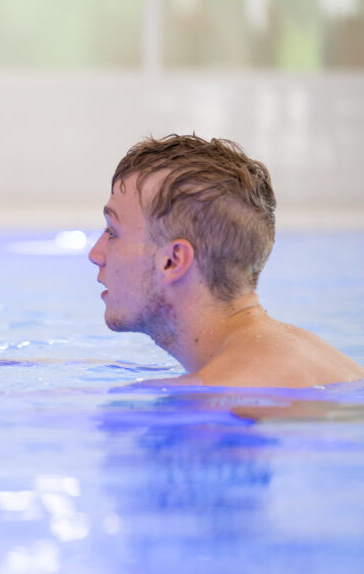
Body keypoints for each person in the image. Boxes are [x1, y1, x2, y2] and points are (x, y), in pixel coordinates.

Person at [88, 134, 364, 388]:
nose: (95, 255)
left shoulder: (220, 398)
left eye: (113, 232)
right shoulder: (304, 355)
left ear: (173, 261)